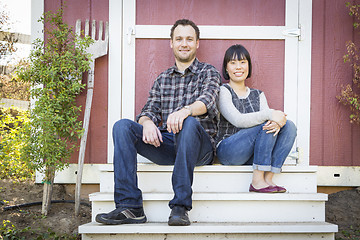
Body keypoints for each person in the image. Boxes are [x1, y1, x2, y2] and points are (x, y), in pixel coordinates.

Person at [95, 19, 221, 226]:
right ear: (171, 43)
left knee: (189, 123)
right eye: (179, 39)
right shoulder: (163, 79)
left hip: (200, 147)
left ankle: (180, 207)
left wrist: (185, 111)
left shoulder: (208, 72)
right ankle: (130, 207)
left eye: (189, 39)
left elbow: (206, 102)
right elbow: (148, 111)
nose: (184, 44)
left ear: (197, 43)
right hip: (170, 145)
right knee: (122, 127)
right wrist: (147, 123)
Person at [216, 44, 297, 193]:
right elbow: (238, 120)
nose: (238, 67)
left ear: (249, 66)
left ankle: (268, 178)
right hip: (229, 151)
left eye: (242, 62)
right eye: (233, 63)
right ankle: (257, 181)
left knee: (289, 126)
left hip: (252, 154)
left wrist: (279, 122)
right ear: (226, 68)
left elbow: (270, 122)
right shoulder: (223, 91)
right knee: (266, 123)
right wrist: (271, 115)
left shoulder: (258, 95)